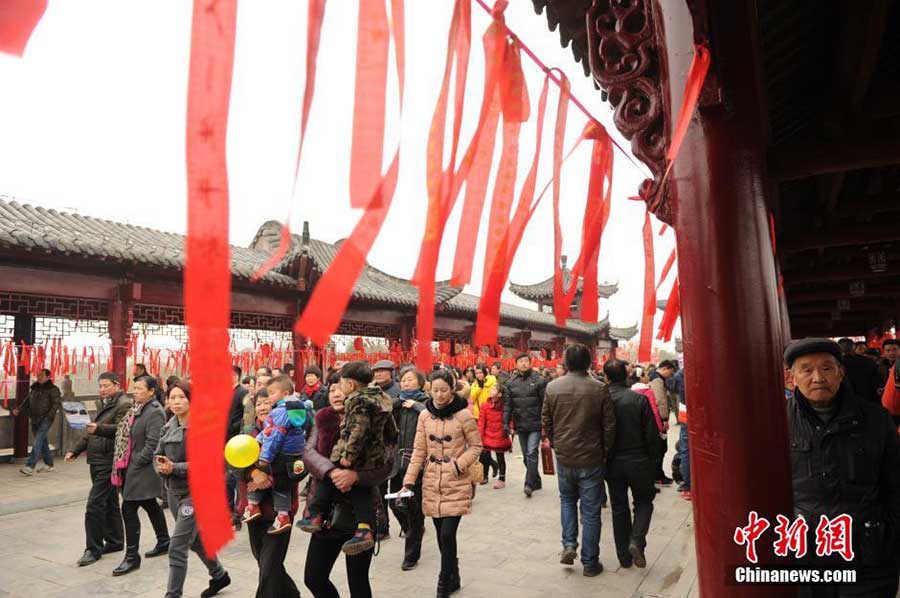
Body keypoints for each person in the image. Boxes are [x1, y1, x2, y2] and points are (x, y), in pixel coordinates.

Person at [784, 338, 900, 597]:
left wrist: (890, 535)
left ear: (841, 373)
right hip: (805, 553)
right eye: (806, 370)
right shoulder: (775, 421)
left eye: (826, 368)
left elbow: (895, 482)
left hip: (868, 553)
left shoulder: (875, 419)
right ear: (790, 379)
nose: (817, 378)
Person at [302, 373, 395, 598]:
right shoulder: (322, 418)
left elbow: (389, 463)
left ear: (353, 389)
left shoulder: (375, 418)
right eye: (331, 389)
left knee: (358, 582)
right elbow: (308, 452)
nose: (336, 393)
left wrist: (356, 476)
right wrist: (333, 472)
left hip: (360, 513)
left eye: (340, 388)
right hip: (326, 513)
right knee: (314, 577)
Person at [403, 369, 483, 598]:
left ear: (452, 390)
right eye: (435, 390)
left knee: (448, 534)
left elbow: (477, 446)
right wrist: (409, 481)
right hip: (431, 481)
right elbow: (419, 450)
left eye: (444, 390)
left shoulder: (464, 415)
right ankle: (454, 574)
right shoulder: (424, 416)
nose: (439, 395)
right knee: (441, 535)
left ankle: (443, 583)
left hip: (455, 481)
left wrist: (459, 464)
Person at [542, 344, 615, 577]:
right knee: (591, 511)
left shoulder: (553, 387)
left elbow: (546, 420)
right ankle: (590, 562)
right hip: (592, 457)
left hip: (565, 456)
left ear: (565, 363)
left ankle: (569, 544)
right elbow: (609, 425)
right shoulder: (600, 388)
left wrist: (556, 443)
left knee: (567, 501)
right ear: (588, 363)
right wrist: (605, 450)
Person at [155, 381, 231, 598]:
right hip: (174, 492)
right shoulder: (168, 426)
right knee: (195, 540)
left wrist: (174, 467)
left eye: (182, 397)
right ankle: (219, 575)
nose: (177, 402)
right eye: (172, 398)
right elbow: (157, 455)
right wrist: (161, 466)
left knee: (177, 547)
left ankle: (173, 594)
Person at [66, 372, 132, 567]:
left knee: (94, 505)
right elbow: (91, 431)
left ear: (117, 385)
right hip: (96, 459)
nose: (102, 389)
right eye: (100, 386)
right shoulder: (105, 403)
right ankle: (115, 541)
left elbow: (122, 430)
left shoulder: (124, 404)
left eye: (105, 385)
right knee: (110, 501)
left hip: (108, 460)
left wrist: (98, 428)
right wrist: (75, 450)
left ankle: (93, 549)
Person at [108, 375, 170, 575]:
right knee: (150, 504)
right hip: (131, 464)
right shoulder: (136, 409)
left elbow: (153, 443)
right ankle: (164, 540)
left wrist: (136, 462)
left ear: (151, 391)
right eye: (133, 388)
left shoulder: (155, 412)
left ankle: (132, 556)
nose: (134, 391)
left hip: (141, 468)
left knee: (128, 507)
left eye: (139, 388)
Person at [602, 359, 658, 569]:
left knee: (619, 508)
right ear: (626, 376)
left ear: (606, 377)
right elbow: (651, 435)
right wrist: (652, 462)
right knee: (644, 502)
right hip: (639, 460)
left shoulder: (601, 400)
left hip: (613, 462)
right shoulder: (638, 399)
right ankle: (636, 540)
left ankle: (623, 557)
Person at [243, 375, 310, 534]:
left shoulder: (280, 412)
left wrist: (264, 458)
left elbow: (274, 437)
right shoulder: (296, 409)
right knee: (275, 478)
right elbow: (267, 433)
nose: (265, 405)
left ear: (285, 393)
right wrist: (256, 444)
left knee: (274, 477)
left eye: (270, 397)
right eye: (258, 403)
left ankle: (258, 506)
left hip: (283, 455)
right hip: (292, 455)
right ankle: (274, 513)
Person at [386, 366, 429, 570]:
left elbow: (431, 416)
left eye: (410, 380)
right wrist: (398, 402)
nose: (405, 383)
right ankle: (413, 529)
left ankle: (411, 554)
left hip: (416, 461)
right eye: (403, 380)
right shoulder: (396, 404)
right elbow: (382, 411)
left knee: (414, 508)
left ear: (420, 383)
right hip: (396, 461)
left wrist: (416, 406)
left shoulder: (426, 402)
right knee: (394, 503)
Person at [504, 353, 548, 497]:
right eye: (520, 361)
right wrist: (505, 423)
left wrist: (546, 424)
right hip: (520, 424)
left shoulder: (539, 380)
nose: (523, 363)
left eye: (526, 361)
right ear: (516, 364)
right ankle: (536, 480)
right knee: (525, 456)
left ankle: (529, 484)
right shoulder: (511, 383)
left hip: (535, 423)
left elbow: (545, 404)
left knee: (531, 452)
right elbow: (507, 406)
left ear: (530, 363)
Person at [14, 368, 61, 475]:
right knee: (42, 442)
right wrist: (19, 409)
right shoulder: (35, 388)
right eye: (38, 375)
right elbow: (27, 400)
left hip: (46, 419)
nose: (39, 377)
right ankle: (49, 464)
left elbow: (56, 404)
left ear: (48, 377)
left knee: (37, 441)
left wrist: (49, 417)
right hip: (34, 418)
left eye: (41, 375)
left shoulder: (53, 389)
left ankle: (30, 466)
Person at [226, 365, 249, 530]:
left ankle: (236, 515)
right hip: (223, 441)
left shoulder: (242, 393)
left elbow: (244, 417)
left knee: (233, 479)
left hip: (236, 441)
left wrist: (231, 428)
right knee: (226, 481)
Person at [477, 382, 512, 489]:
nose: (490, 391)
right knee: (484, 455)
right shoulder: (485, 405)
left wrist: (510, 431)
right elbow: (481, 422)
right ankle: (484, 475)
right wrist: (480, 435)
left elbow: (509, 420)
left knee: (500, 456)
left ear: (499, 394)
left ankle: (502, 478)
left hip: (499, 435)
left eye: (493, 390)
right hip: (487, 434)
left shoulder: (504, 407)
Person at [648, 360, 675, 485]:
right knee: (660, 448)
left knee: (660, 448)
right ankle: (656, 475)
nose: (671, 375)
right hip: (658, 419)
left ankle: (657, 474)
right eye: (670, 372)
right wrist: (664, 418)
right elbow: (660, 400)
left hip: (655, 418)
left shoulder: (654, 377)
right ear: (665, 368)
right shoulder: (657, 380)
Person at [838, 337, 883, 403]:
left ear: (839, 349)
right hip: (869, 399)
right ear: (854, 348)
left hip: (845, 400)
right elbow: (877, 381)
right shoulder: (868, 361)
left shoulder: (836, 363)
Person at [671, 367, 691, 500]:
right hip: (699, 410)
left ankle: (687, 486)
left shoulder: (679, 374)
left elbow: (672, 388)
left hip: (684, 411)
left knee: (685, 450)